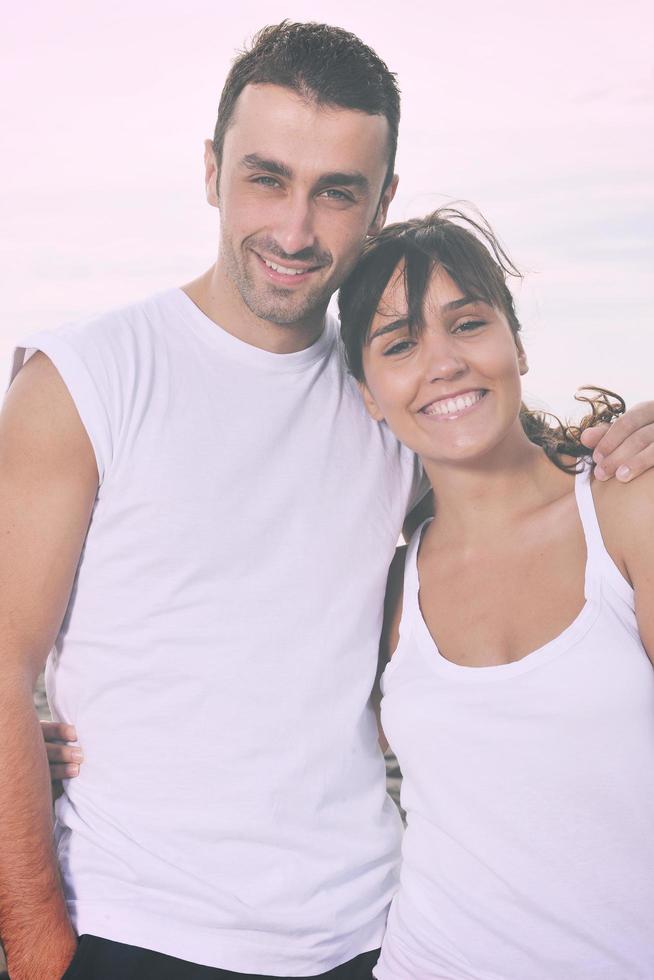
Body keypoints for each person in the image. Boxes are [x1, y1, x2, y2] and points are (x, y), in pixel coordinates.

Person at [1, 21, 652, 980]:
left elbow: (506, 456)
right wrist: (39, 944)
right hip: (140, 933)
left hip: (371, 939)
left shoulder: (385, 396)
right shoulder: (86, 378)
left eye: (336, 191)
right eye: (267, 178)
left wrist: (628, 435)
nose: (297, 230)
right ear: (213, 169)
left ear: (380, 200)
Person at [337, 208, 654, 978]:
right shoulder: (386, 587)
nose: (441, 363)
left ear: (516, 343)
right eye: (401, 344)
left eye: (467, 323)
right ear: (371, 394)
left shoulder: (625, 509)